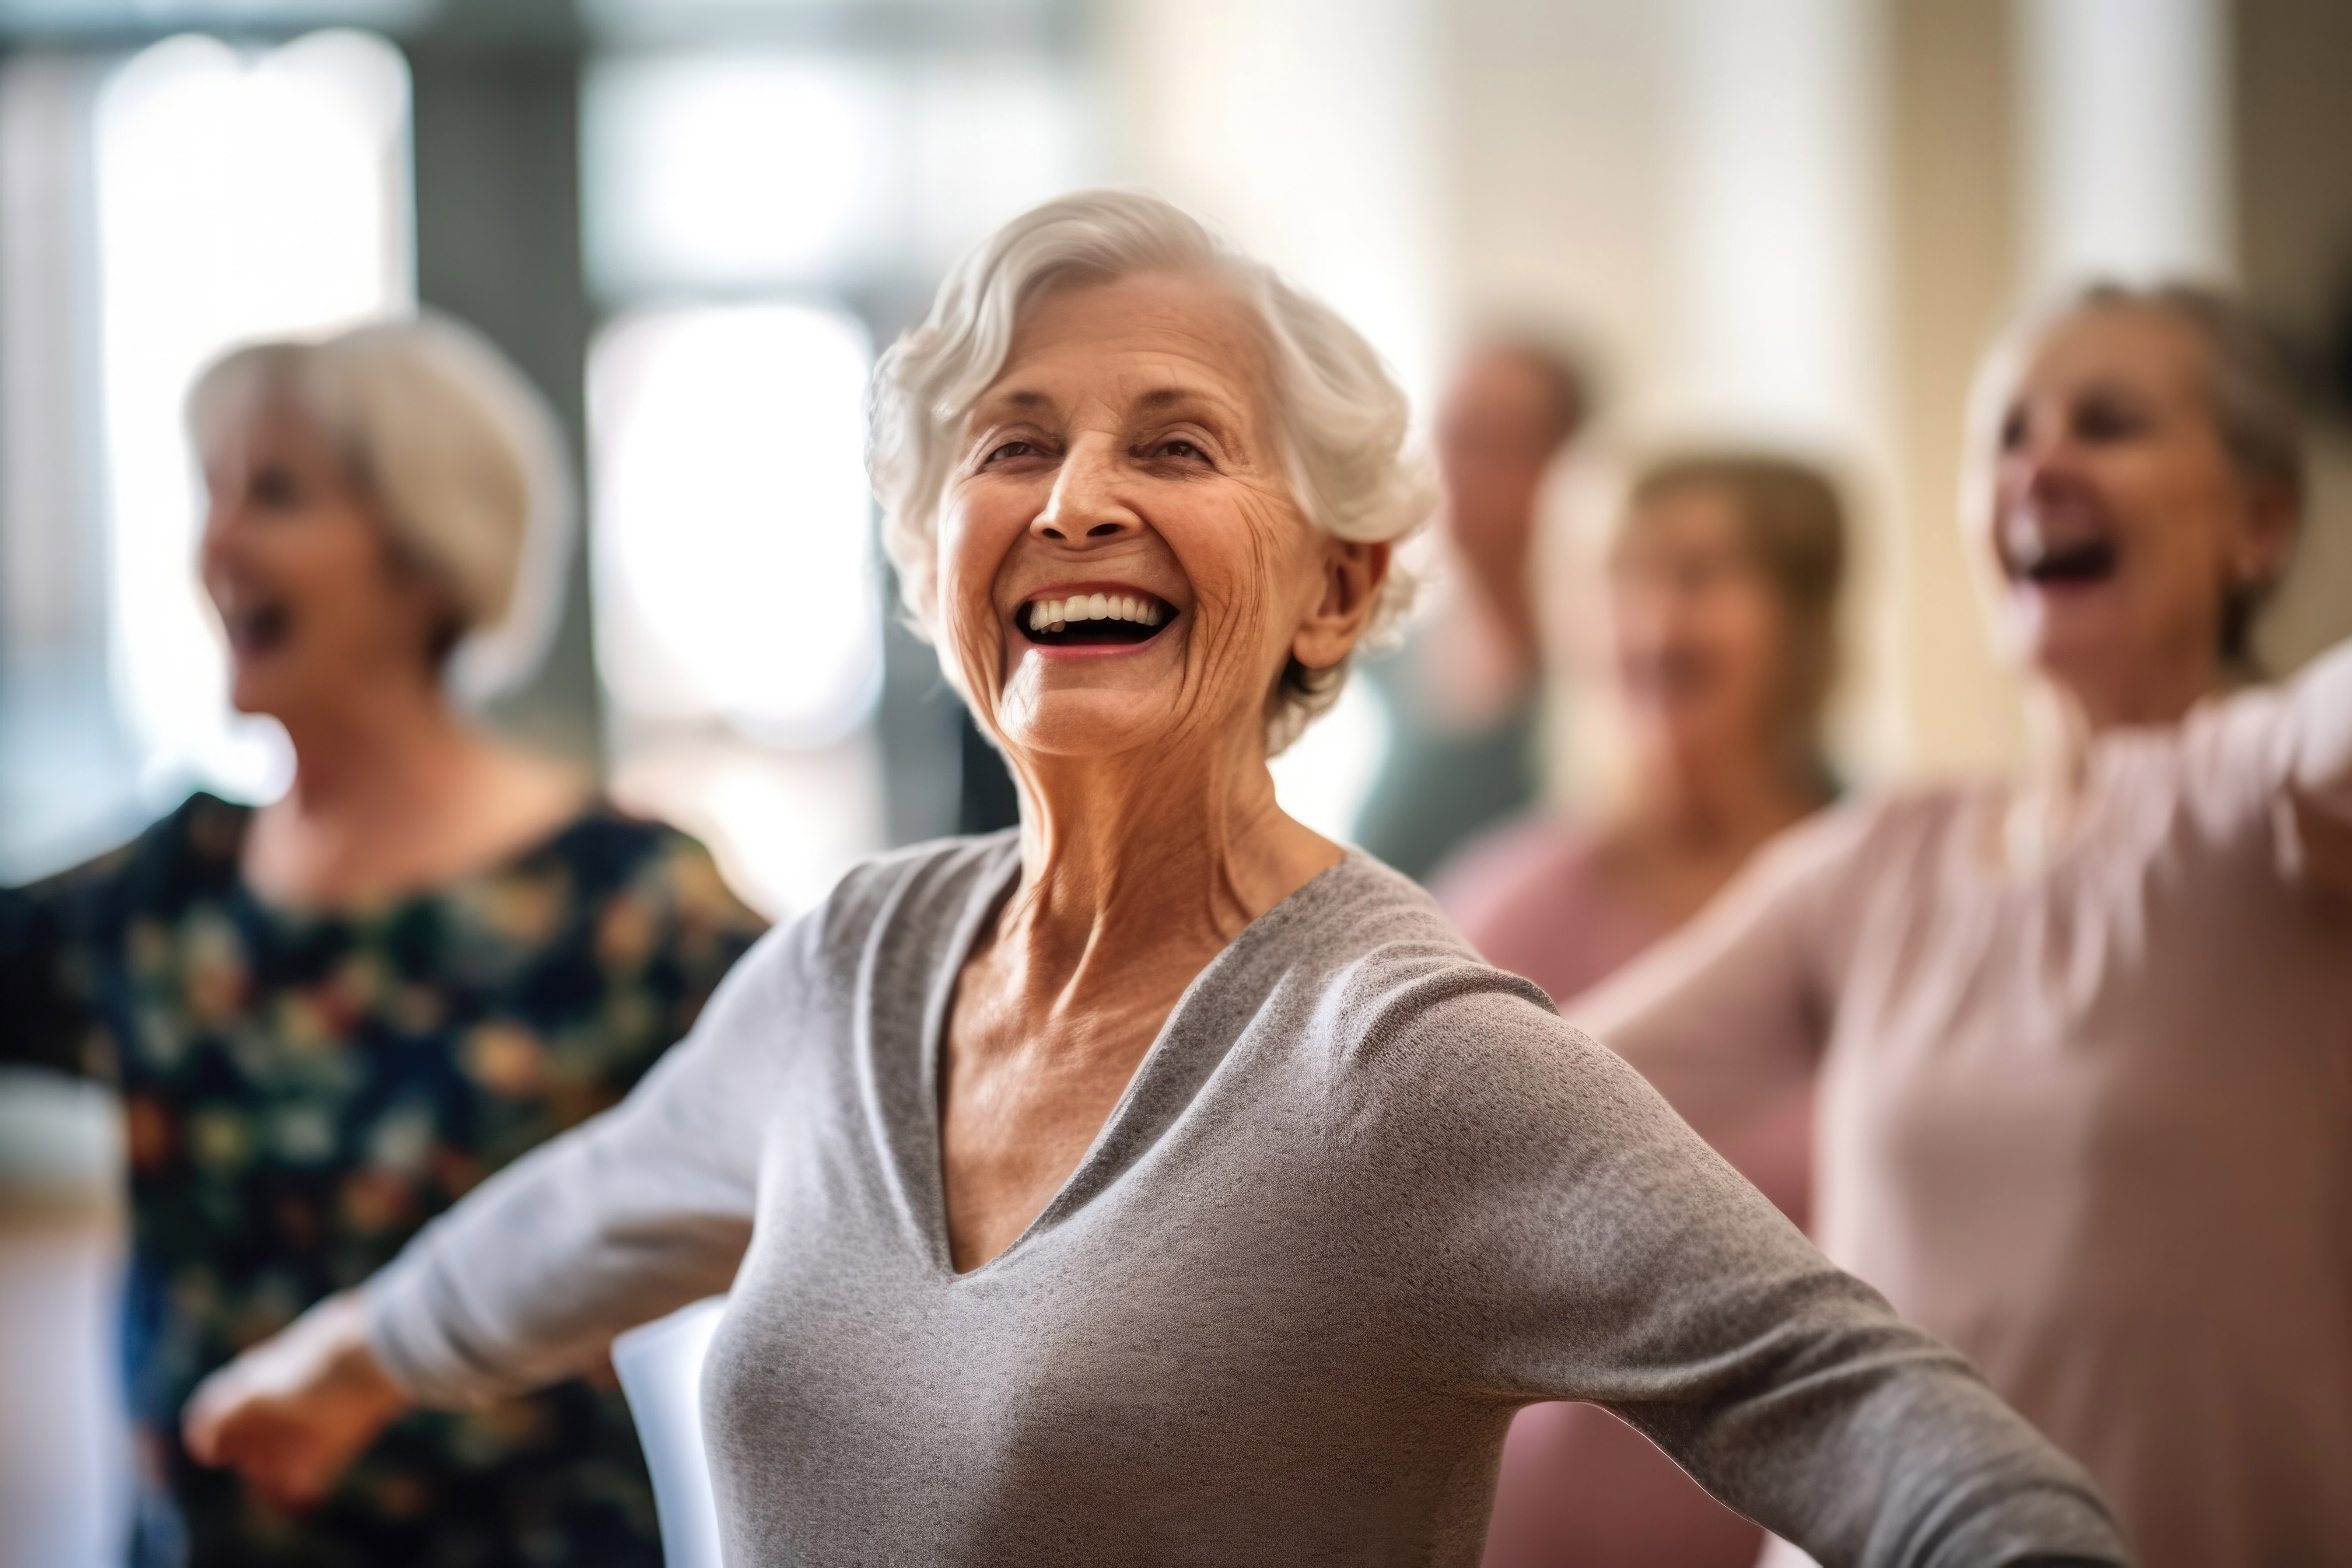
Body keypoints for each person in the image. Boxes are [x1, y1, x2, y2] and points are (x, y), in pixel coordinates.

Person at [181, 192, 2127, 1568]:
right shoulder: (850, 959)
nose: (1075, 496)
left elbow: (1847, 1396)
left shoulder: (1399, 1056)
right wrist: (335, 1364)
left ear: (1340, 579)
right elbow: (595, 1204)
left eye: (1173, 442)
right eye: (1009, 442)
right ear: (936, 554)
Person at [1568, 282, 2352, 1568]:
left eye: (2107, 423)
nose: (2039, 465)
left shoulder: (2267, 799)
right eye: (2006, 434)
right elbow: (1538, 1096)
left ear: (2259, 523)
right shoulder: (1878, 859)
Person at [0, 317, 767, 1568]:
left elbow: (842, 1140)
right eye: (215, 494)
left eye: (279, 494)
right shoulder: (170, 889)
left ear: (425, 551)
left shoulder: (621, 901)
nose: (217, 543)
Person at [1440, 454, 1846, 1568]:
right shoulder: (1502, 904)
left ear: (1801, 621)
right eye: (1621, 579)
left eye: (1701, 575)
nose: (1653, 621)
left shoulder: (1882, 888)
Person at [1351, 335, 1589, 880]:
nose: (1456, 469)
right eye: (1450, 435)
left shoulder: (1609, 673)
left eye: (1497, 442)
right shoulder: (1389, 652)